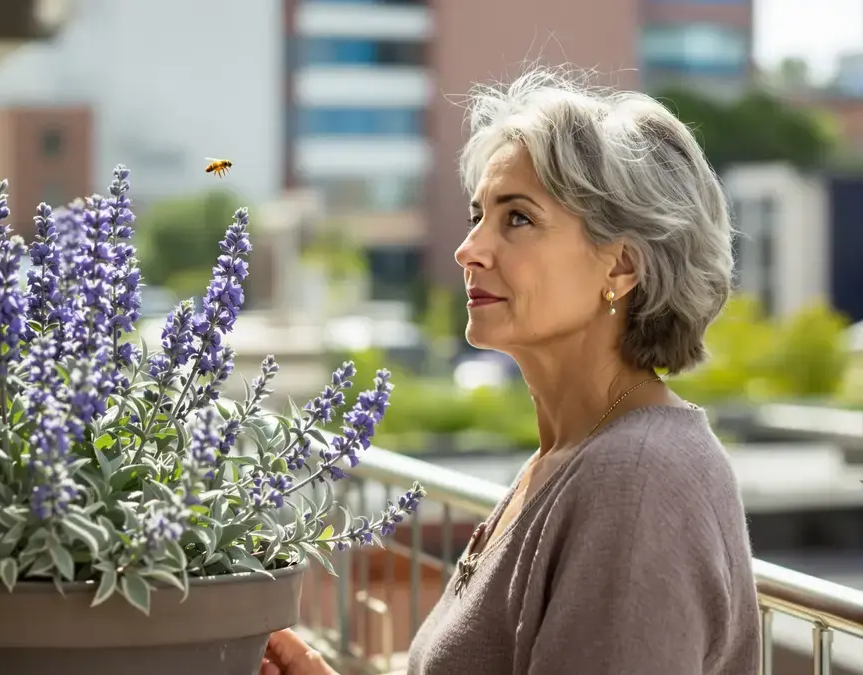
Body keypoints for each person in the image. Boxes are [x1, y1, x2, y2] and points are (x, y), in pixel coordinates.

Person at [259, 67, 761, 675]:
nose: (469, 248)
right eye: (478, 214)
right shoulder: (568, 458)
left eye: (516, 218)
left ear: (621, 268)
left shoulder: (636, 480)